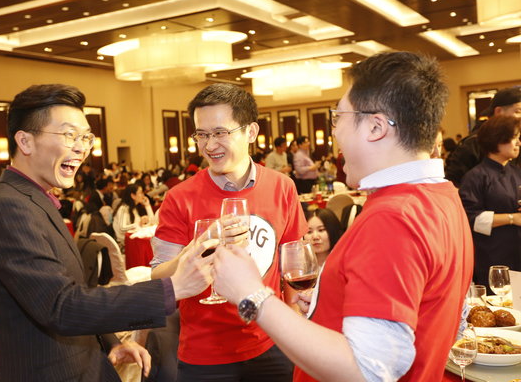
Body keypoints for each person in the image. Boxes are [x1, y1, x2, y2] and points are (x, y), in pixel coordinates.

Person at [213, 52, 474, 382]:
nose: (334, 133)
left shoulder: (394, 218)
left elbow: (364, 370)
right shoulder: (443, 195)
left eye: (339, 118)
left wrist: (253, 294)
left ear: (376, 127)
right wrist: (329, 304)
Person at [0, 84, 215, 382]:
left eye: (85, 137)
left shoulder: (35, 200)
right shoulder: (8, 208)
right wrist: (172, 288)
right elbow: (60, 306)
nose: (82, 148)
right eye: (69, 135)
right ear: (25, 141)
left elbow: (72, 289)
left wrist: (111, 341)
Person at [150, 83, 307, 381]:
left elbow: (292, 265)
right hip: (204, 354)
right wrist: (199, 245)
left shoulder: (282, 187)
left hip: (272, 341)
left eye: (220, 133)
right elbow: (159, 278)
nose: (210, 145)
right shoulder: (179, 198)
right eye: (202, 135)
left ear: (251, 132)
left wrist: (295, 328)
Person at [458, 116, 521, 290]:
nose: (519, 143)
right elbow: (471, 218)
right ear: (498, 139)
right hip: (493, 255)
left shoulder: (517, 172)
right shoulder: (476, 177)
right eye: (514, 138)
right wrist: (512, 218)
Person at [445, 86, 521, 186]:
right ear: (498, 112)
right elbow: (454, 184)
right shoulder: (474, 143)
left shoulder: (517, 142)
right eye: (518, 111)